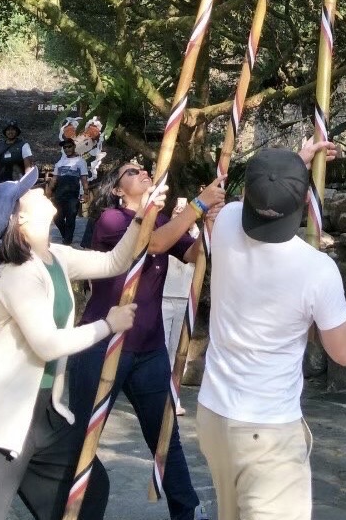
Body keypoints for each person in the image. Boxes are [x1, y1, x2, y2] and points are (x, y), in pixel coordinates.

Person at [0, 166, 143, 520]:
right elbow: (47, 345)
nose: (39, 189)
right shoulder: (15, 272)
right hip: (0, 414)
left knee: (87, 492)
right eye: (28, 192)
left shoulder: (55, 256)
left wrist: (142, 217)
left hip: (44, 415)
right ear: (20, 219)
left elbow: (115, 261)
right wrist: (107, 325)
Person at [196, 142, 346, 520]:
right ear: (303, 200)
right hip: (266, 430)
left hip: (214, 415)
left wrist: (288, 167)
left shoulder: (226, 221)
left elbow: (257, 194)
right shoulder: (317, 270)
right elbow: (344, 353)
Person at [68, 162, 225, 520]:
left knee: (166, 435)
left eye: (142, 168)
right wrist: (198, 205)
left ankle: (187, 511)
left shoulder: (166, 219)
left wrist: (209, 224)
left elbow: (192, 254)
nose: (141, 171)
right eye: (130, 172)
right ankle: (69, 509)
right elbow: (150, 243)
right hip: (102, 342)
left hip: (149, 349)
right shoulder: (111, 220)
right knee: (81, 438)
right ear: (118, 191)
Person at [161, 196, 198, 416]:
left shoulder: (195, 236)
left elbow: (201, 252)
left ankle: (174, 396)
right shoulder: (165, 233)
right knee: (162, 349)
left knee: (179, 350)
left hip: (185, 298)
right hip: (164, 296)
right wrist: (174, 222)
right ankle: (160, 395)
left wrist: (192, 226)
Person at [0, 120, 35, 257]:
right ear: (5, 132)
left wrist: (27, 184)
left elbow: (28, 165)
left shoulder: (24, 146)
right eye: (8, 129)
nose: (10, 132)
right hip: (1, 185)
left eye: (13, 129)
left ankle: (19, 242)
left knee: (17, 214)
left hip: (17, 185)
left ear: (17, 132)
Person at [48, 138, 90, 245]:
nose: (67, 149)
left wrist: (86, 193)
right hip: (59, 195)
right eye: (65, 147)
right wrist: (48, 193)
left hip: (72, 196)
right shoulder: (60, 162)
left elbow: (84, 179)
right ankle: (65, 235)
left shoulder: (80, 161)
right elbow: (54, 179)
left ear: (74, 146)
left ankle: (67, 241)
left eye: (69, 146)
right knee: (57, 218)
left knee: (70, 219)